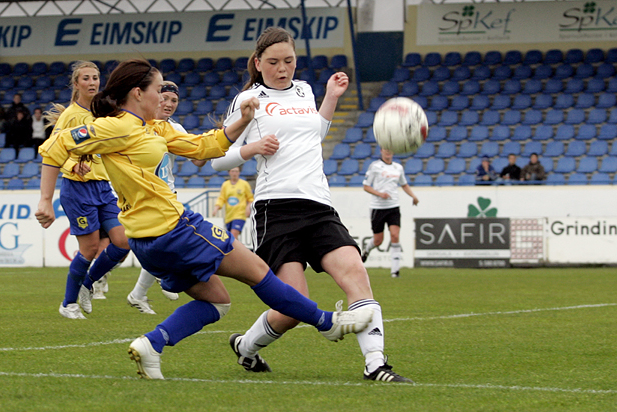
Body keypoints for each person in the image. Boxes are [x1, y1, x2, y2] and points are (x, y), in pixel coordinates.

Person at [36, 58, 374, 380]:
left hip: (146, 240)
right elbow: (54, 148)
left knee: (217, 300)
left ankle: (152, 344)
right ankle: (328, 323)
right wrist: (46, 200)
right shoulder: (113, 127)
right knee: (258, 272)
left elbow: (203, 147)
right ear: (138, 93)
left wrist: (241, 121)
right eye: (157, 89)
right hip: (174, 228)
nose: (163, 97)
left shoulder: (154, 126)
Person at [212, 27, 412, 383]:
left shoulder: (304, 89)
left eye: (288, 61)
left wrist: (331, 97)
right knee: (293, 307)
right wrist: (252, 150)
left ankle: (376, 364)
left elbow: (313, 135)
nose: (282, 68)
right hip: (276, 209)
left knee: (356, 275)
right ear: (258, 63)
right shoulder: (249, 99)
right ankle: (246, 347)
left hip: (319, 205)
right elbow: (217, 158)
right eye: (273, 62)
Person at [36, 61, 132, 320]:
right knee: (89, 249)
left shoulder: (103, 111)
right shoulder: (70, 115)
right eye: (86, 78)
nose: (92, 82)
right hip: (77, 190)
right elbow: (52, 148)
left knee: (124, 241)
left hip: (103, 187)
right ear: (76, 84)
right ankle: (68, 304)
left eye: (96, 78)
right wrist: (71, 164)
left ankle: (87, 284)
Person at [126, 80, 198, 315]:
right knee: (161, 247)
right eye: (164, 98)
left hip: (167, 196)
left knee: (164, 246)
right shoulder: (136, 124)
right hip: (142, 196)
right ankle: (159, 280)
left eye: (174, 101)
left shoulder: (175, 129)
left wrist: (219, 143)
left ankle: (141, 292)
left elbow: (198, 159)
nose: (168, 104)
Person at [360, 148, 419, 278]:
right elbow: (366, 186)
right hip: (378, 208)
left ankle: (395, 271)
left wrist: (413, 196)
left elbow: (404, 184)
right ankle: (366, 251)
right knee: (378, 240)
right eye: (385, 150)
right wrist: (380, 194)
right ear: (381, 151)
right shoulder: (375, 166)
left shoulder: (398, 167)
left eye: (390, 150)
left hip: (393, 207)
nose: (388, 152)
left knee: (395, 236)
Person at [212, 166, 254, 241]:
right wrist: (216, 208)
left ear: (239, 172)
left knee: (233, 235)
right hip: (229, 216)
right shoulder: (225, 185)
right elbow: (222, 198)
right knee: (231, 238)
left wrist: (248, 207)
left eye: (236, 171)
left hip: (239, 215)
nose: (234, 173)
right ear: (229, 172)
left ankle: (237, 252)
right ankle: (238, 252)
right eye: (233, 171)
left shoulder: (244, 184)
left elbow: (250, 198)